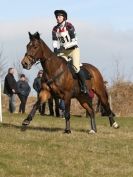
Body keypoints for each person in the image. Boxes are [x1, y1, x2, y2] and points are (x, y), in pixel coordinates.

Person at [52, 10, 88, 94]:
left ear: (64, 18)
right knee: (57, 66)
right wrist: (55, 49)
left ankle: (84, 86)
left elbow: (75, 41)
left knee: (75, 67)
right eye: (57, 17)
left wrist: (66, 46)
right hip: (63, 51)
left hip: (73, 50)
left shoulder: (69, 26)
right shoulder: (55, 29)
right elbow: (54, 41)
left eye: (59, 16)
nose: (57, 18)